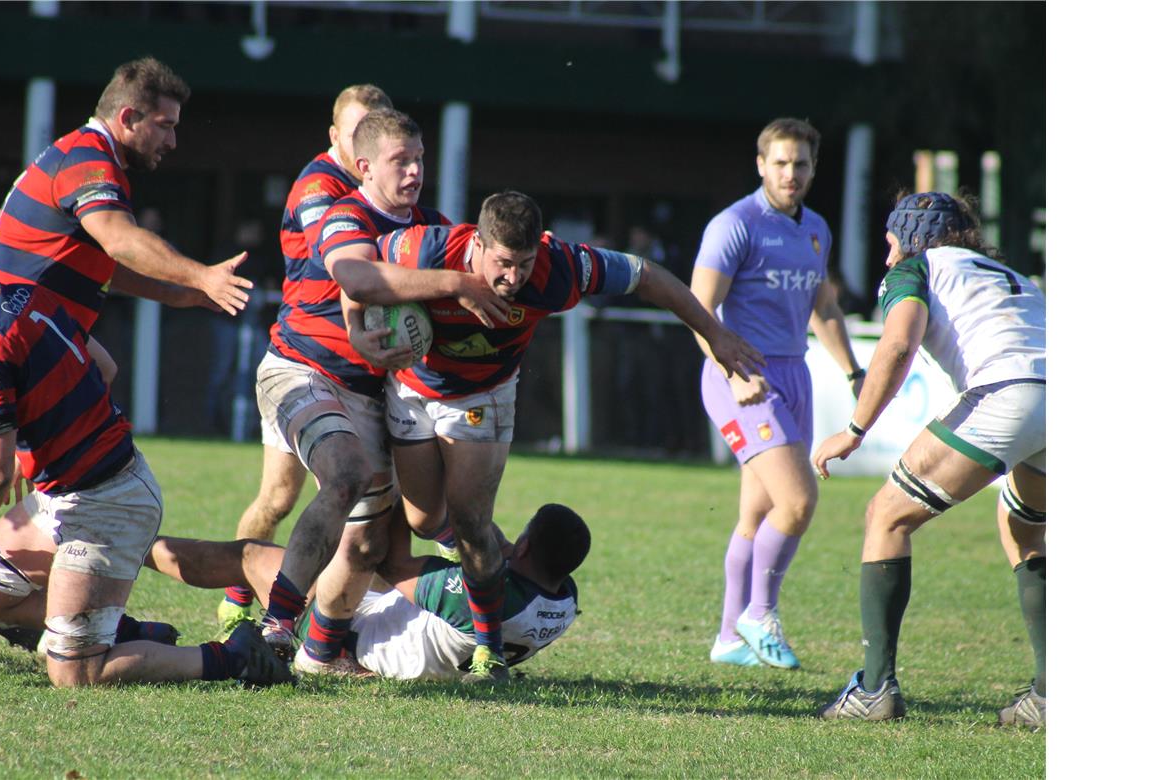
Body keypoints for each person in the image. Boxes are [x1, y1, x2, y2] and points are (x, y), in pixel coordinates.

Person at [332, 190, 764, 682]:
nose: (513, 278)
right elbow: (356, 272)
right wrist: (354, 327)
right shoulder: (425, 250)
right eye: (502, 263)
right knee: (427, 519)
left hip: (484, 396)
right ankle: (494, 571)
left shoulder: (561, 267)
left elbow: (647, 274)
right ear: (477, 242)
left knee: (471, 519)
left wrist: (714, 333)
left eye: (524, 263)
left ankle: (487, 650)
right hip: (412, 390)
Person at [0, 218, 291, 688]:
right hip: (71, 489)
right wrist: (52, 438)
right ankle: (124, 633)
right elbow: (104, 367)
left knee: (74, 671)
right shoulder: (22, 291)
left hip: (105, 502)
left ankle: (234, 658)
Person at [254, 107, 509, 677]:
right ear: (365, 167)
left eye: (420, 159)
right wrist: (454, 283)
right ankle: (274, 623)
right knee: (342, 476)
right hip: (303, 369)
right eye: (402, 160)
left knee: (368, 544)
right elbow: (357, 277)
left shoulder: (434, 229)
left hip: (374, 395)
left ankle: (319, 656)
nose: (415, 170)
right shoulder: (346, 216)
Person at [811, 192, 1045, 727]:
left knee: (887, 516)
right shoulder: (1004, 273)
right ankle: (1050, 694)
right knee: (1024, 529)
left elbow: (897, 345)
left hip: (1010, 392)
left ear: (914, 237)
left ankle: (874, 690)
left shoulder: (915, 269)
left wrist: (853, 430)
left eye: (892, 241)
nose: (888, 255)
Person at [215, 84, 395, 639]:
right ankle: (242, 598)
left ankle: (316, 613)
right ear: (336, 136)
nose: (364, 139)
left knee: (321, 495)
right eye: (355, 128)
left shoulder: (383, 185)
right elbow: (339, 255)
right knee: (280, 497)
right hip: (305, 359)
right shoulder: (320, 186)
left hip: (358, 374)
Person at [689, 117, 862, 670]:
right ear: (761, 164)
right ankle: (759, 613)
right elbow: (698, 310)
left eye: (802, 164)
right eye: (781, 163)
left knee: (757, 514)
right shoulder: (735, 224)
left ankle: (728, 638)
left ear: (813, 168)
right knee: (798, 501)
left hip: (793, 375)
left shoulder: (815, 229)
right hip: (741, 378)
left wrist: (855, 373)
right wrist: (734, 373)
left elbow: (825, 308)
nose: (791, 173)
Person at [0, 56, 253, 355]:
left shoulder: (88, 155)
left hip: (18, 327)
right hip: (10, 332)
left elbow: (112, 268)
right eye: (164, 126)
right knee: (97, 378)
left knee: (104, 370)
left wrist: (185, 293)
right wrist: (203, 276)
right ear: (127, 118)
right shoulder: (87, 159)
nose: (172, 141)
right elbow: (121, 242)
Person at [149, 504, 589, 681]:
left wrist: (403, 488)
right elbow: (500, 552)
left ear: (528, 546)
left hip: (359, 641)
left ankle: (135, 550)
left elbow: (393, 563)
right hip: (413, 633)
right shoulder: (562, 598)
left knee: (251, 558)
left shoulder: (483, 595)